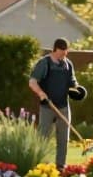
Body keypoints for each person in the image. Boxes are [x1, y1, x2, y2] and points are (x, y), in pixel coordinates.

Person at [29, 37, 79, 169]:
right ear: (56, 49)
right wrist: (41, 94)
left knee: (63, 138)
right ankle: (40, 165)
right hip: (47, 106)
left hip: (63, 105)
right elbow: (32, 81)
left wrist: (77, 90)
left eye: (66, 52)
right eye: (63, 51)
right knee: (43, 137)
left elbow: (72, 82)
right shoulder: (44, 63)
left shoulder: (67, 64)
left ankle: (61, 166)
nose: (65, 54)